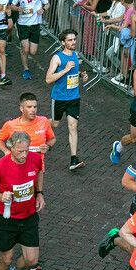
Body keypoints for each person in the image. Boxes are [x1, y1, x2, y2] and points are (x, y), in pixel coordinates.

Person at [0, 131, 45, 270]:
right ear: (11, 148)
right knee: (6, 259)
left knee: (32, 260)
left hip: (28, 217)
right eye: (20, 151)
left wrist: (40, 193)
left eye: (26, 150)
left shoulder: (34, 159)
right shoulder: (0, 165)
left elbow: (40, 171)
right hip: (5, 219)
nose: (24, 154)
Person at [45, 29, 88, 170]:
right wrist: (65, 70)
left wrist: (81, 75)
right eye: (70, 40)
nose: (73, 42)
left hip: (74, 98)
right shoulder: (57, 58)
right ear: (63, 42)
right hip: (59, 98)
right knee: (55, 124)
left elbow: (73, 73)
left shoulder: (75, 55)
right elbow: (48, 79)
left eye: (74, 39)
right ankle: (42, 126)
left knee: (73, 127)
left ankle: (73, 159)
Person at [0, 93, 55, 165]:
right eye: (29, 107)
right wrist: (6, 152)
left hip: (38, 165)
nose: (33, 110)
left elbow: (52, 139)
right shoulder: (11, 125)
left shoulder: (44, 121)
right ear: (21, 108)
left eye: (35, 107)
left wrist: (48, 146)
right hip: (17, 166)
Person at [10, 0, 49, 80]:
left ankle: (23, 49)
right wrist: (18, 9)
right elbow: (12, 5)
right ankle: (26, 69)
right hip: (22, 24)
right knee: (26, 49)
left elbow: (47, 4)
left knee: (33, 51)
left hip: (35, 24)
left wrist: (43, 9)